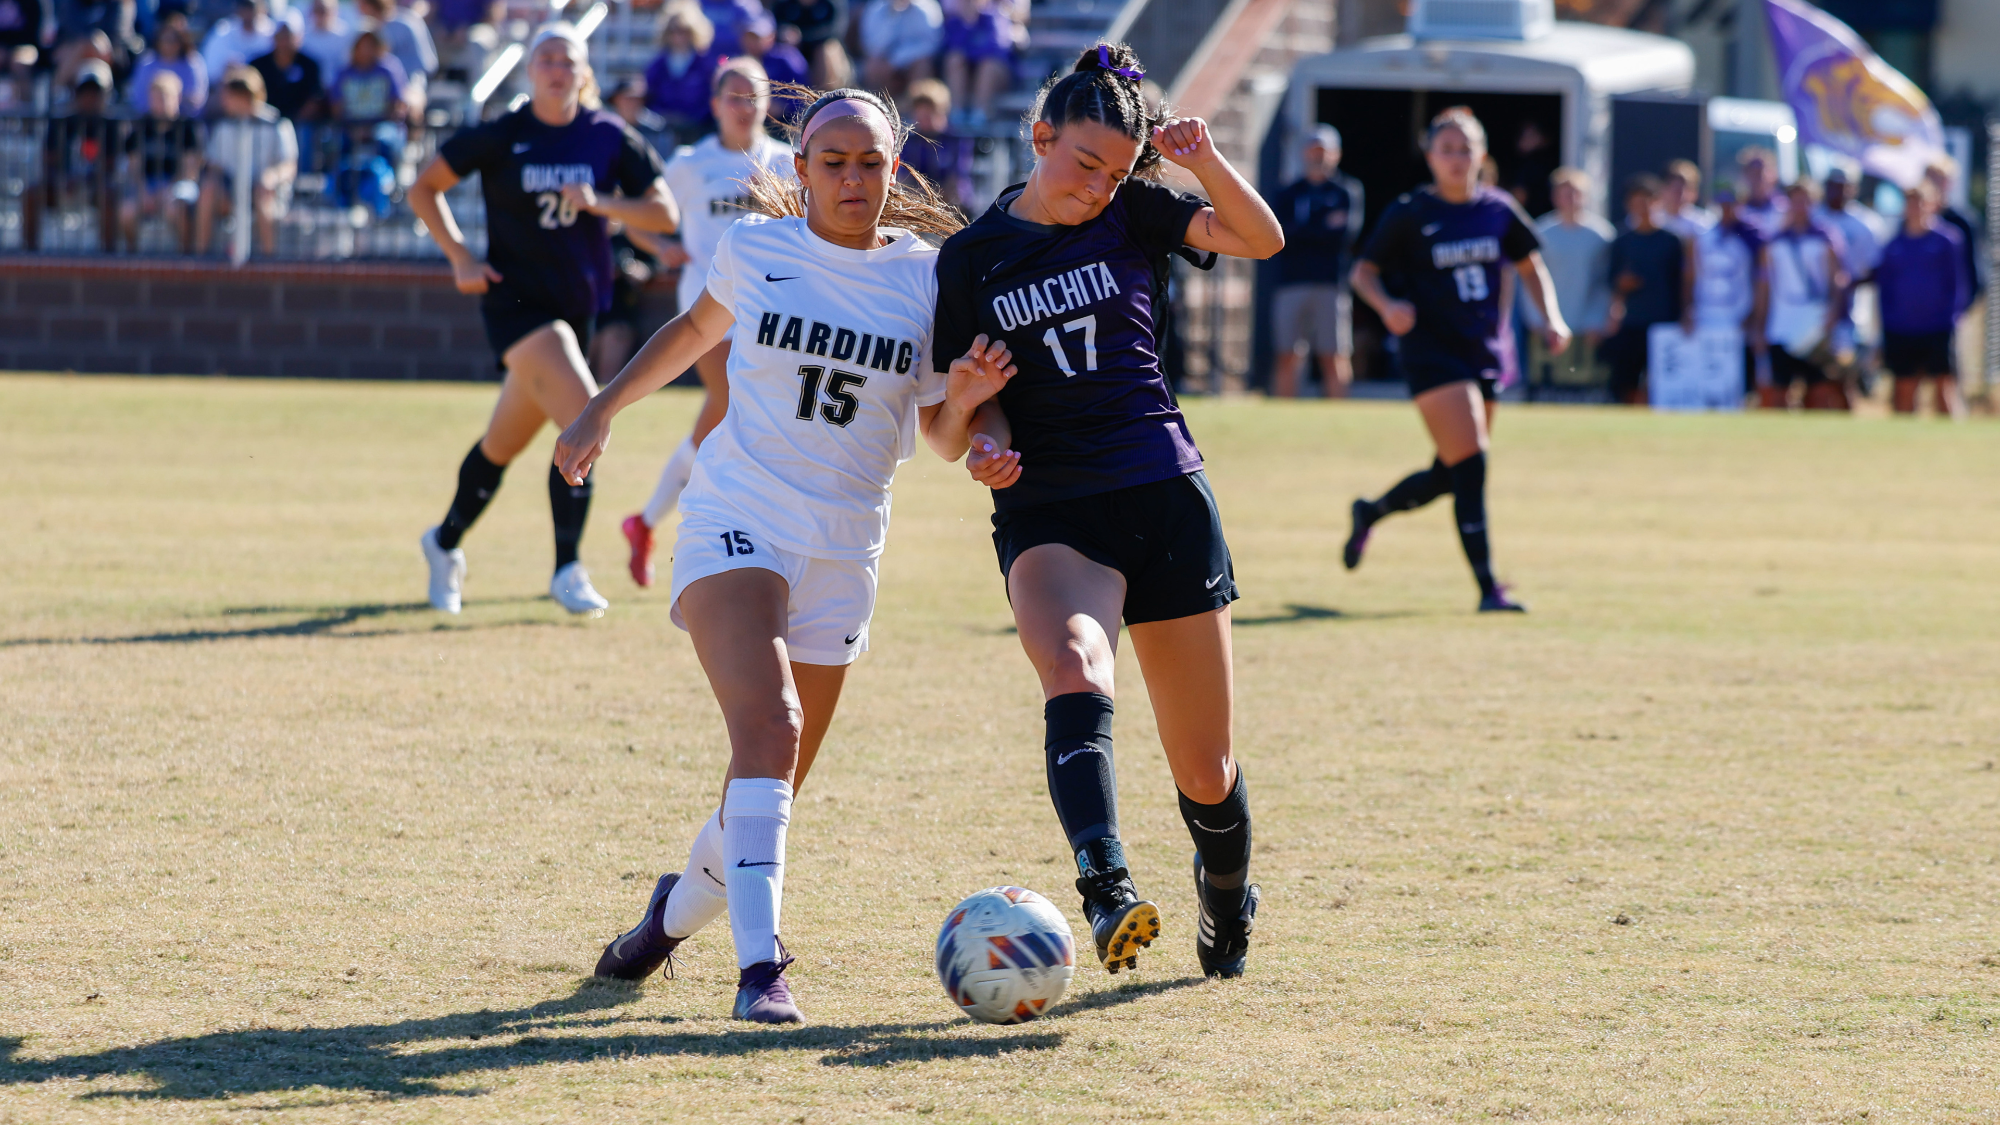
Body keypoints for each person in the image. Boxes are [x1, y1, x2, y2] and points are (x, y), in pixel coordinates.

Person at [565, 88, 987, 1023]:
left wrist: (969, 408)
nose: (852, 179)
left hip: (846, 545)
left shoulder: (927, 279)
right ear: (800, 170)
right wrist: (602, 406)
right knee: (773, 728)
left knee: (768, 783)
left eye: (870, 163)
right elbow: (690, 333)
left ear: (894, 170)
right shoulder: (756, 248)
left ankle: (661, 925)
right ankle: (762, 971)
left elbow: (941, 433)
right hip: (736, 515)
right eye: (832, 162)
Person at [931, 42, 1285, 979]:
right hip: (1053, 508)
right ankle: (1106, 888)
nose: (1097, 187)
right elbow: (957, 416)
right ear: (1039, 137)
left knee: (1204, 768)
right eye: (1084, 163)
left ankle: (1226, 894)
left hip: (1164, 496)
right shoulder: (971, 258)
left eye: (1115, 173)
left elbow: (1260, 240)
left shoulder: (1135, 211)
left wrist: (1205, 160)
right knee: (1073, 666)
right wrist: (981, 430)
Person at [407, 23, 678, 616]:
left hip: (577, 307)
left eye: (568, 60)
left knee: (501, 445)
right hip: (515, 305)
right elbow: (425, 188)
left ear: (585, 73)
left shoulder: (607, 134)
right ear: (530, 71)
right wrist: (460, 256)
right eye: (547, 59)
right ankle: (567, 567)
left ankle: (443, 542)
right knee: (584, 412)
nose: (557, 69)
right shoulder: (503, 133)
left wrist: (602, 202)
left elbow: (664, 214)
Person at [1346, 106, 1570, 611]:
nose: (1456, 158)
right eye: (1446, 149)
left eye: (1465, 149)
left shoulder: (1498, 208)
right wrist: (1388, 306)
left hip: (1482, 352)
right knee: (1472, 466)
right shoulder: (1410, 211)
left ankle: (1370, 512)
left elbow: (1530, 265)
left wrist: (1552, 318)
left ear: (1482, 154)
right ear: (1429, 156)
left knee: (1450, 473)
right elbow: (1363, 272)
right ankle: (1489, 589)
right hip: (1430, 352)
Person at [621, 57, 797, 587]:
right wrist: (660, 248)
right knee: (732, 408)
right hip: (708, 312)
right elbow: (638, 216)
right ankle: (720, 530)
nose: (744, 107)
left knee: (724, 423)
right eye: (733, 96)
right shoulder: (690, 163)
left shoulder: (787, 162)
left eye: (753, 96)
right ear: (715, 104)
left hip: (772, 314)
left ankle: (646, 522)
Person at [1266, 124, 1362, 398]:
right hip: (1291, 282)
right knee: (1287, 354)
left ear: (1336, 154)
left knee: (1334, 355)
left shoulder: (1346, 191)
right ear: (1304, 153)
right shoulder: (1289, 192)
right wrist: (1321, 227)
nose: (1318, 156)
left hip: (1330, 284)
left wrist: (1303, 230)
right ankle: (1283, 414)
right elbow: (1278, 235)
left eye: (1324, 151)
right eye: (1313, 150)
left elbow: (1345, 235)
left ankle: (1338, 414)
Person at [589, 77, 673, 384]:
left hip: (621, 287)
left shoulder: (651, 139)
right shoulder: (599, 139)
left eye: (637, 99)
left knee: (617, 333)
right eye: (626, 99)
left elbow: (662, 218)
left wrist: (644, 267)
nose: (631, 105)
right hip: (587, 280)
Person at [1876, 181, 1971, 418]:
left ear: (1932, 205)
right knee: (1904, 389)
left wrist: (1951, 318)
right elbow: (1885, 288)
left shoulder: (1947, 240)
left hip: (1937, 326)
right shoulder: (1894, 245)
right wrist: (1888, 322)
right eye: (1910, 203)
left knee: (1944, 387)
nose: (1915, 208)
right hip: (1901, 327)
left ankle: (1953, 437)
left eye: (1920, 203)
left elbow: (1958, 283)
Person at [1521, 165, 1611, 392]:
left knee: (1583, 384)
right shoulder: (1540, 233)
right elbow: (1528, 276)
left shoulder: (1601, 235)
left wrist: (1597, 319)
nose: (1571, 199)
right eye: (1565, 193)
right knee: (1547, 385)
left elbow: (1604, 282)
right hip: (1547, 324)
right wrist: (1537, 317)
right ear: (1555, 197)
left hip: (1587, 325)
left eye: (1576, 193)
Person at [1762, 176, 1849, 410]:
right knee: (1780, 390)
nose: (1800, 206)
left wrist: (1833, 313)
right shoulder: (1776, 239)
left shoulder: (1825, 235)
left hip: (1815, 322)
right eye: (1795, 200)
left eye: (1805, 200)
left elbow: (1838, 278)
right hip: (1782, 323)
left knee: (1818, 390)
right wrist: (1760, 323)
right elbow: (1766, 284)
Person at [194, 66, 298, 257]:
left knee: (262, 195)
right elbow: (214, 165)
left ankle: (269, 262)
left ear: (244, 96)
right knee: (208, 190)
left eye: (229, 95)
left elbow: (289, 165)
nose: (224, 100)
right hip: (231, 191)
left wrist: (271, 177)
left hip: (267, 191)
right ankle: (200, 258)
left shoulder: (277, 124)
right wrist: (219, 180)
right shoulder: (224, 126)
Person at [1681, 186, 1769, 402]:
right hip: (1706, 316)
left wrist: (1756, 317)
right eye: (1723, 204)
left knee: (1739, 386)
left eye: (1731, 204)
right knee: (1707, 378)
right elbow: (1690, 276)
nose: (1727, 209)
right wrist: (1687, 309)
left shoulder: (1752, 237)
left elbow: (1762, 281)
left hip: (1739, 317)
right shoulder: (1702, 237)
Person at [1603, 174, 1684, 405]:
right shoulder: (1623, 241)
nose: (1643, 207)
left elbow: (1682, 281)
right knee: (1626, 380)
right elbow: (1612, 281)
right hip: (1632, 321)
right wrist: (1622, 287)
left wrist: (1685, 314)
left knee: (1661, 381)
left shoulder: (1671, 240)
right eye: (1637, 202)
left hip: (1664, 321)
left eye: (1648, 201)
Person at [23, 60, 117, 253]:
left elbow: (111, 165)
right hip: (61, 185)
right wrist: (63, 179)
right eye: (85, 93)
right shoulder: (60, 122)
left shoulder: (111, 126)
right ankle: (29, 252)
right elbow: (48, 159)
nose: (90, 98)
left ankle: (108, 254)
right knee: (32, 192)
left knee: (109, 194)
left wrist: (87, 180)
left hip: (94, 187)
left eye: (95, 93)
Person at [119, 68, 200, 252]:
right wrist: (144, 192)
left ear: (177, 98)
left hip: (177, 185)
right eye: (156, 98)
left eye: (165, 97)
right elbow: (134, 167)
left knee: (176, 210)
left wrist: (167, 192)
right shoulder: (140, 127)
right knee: (127, 212)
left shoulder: (188, 128)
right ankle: (133, 258)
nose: (160, 103)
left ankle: (186, 257)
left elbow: (190, 170)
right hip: (147, 185)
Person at [643, 2, 718, 145]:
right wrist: (664, 117)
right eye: (673, 31)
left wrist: (692, 119)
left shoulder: (705, 65)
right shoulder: (657, 65)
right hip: (664, 131)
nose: (678, 36)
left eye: (683, 30)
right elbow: (650, 98)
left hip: (698, 131)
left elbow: (710, 99)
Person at [939, 0, 1015, 130]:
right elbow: (950, 48)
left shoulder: (994, 17)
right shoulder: (955, 22)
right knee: (955, 60)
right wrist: (967, 24)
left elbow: (996, 49)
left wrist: (969, 52)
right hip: (968, 72)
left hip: (998, 73)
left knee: (987, 65)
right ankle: (956, 113)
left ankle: (980, 115)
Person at [899, 77, 972, 211]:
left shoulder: (956, 140)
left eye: (929, 113)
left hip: (952, 205)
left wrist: (937, 199)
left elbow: (957, 177)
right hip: (917, 203)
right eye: (920, 114)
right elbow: (904, 178)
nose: (924, 119)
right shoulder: (908, 141)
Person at [732, 9, 807, 126]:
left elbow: (804, 96)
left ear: (771, 37)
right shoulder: (737, 63)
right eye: (749, 36)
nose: (752, 42)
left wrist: (783, 107)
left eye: (757, 37)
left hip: (784, 124)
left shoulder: (786, 59)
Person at [356, 0, 434, 111]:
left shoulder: (407, 23)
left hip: (411, 83)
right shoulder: (366, 29)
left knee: (409, 104)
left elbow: (426, 65)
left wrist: (404, 86)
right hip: (377, 85)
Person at [249, 11, 323, 120]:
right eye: (280, 36)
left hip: (301, 123)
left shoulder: (310, 65)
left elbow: (315, 98)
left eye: (288, 36)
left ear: (299, 37)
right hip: (263, 122)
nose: (284, 41)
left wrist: (292, 122)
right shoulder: (257, 65)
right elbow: (251, 97)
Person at [858, 0, 939, 99]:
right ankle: (878, 102)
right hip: (887, 60)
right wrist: (891, 16)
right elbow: (873, 46)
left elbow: (929, 45)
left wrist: (896, 60)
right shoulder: (875, 8)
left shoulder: (927, 8)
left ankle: (914, 103)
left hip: (912, 61)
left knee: (922, 65)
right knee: (873, 65)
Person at [128, 17, 207, 115]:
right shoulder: (147, 63)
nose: (168, 44)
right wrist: (157, 109)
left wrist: (171, 105)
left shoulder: (193, 63)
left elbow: (196, 100)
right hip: (150, 120)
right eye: (164, 39)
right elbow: (138, 99)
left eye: (173, 40)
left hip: (185, 120)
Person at [768, 0, 848, 89]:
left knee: (827, 49)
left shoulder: (830, 5)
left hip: (821, 51)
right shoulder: (783, 5)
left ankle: (824, 92)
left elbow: (835, 32)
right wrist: (785, 34)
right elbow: (773, 29)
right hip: (794, 51)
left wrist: (801, 38)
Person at [200, 0, 273, 78]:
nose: (248, 13)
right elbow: (211, 70)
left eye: (251, 8)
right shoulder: (223, 31)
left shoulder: (270, 32)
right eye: (245, 8)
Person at [1656, 159, 1714, 241]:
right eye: (1674, 188)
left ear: (1694, 192)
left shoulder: (1705, 224)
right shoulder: (1652, 220)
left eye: (1684, 189)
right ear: (1662, 189)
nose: (1679, 195)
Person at [1734, 146, 1787, 237]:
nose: (1758, 177)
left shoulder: (1784, 208)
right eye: (1753, 172)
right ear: (1745, 175)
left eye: (1761, 171)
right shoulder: (1737, 211)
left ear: (1773, 174)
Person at [298, 0, 352, 85]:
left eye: (323, 10)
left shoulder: (346, 36)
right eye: (316, 10)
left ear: (335, 11)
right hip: (312, 88)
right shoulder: (304, 38)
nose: (320, 14)